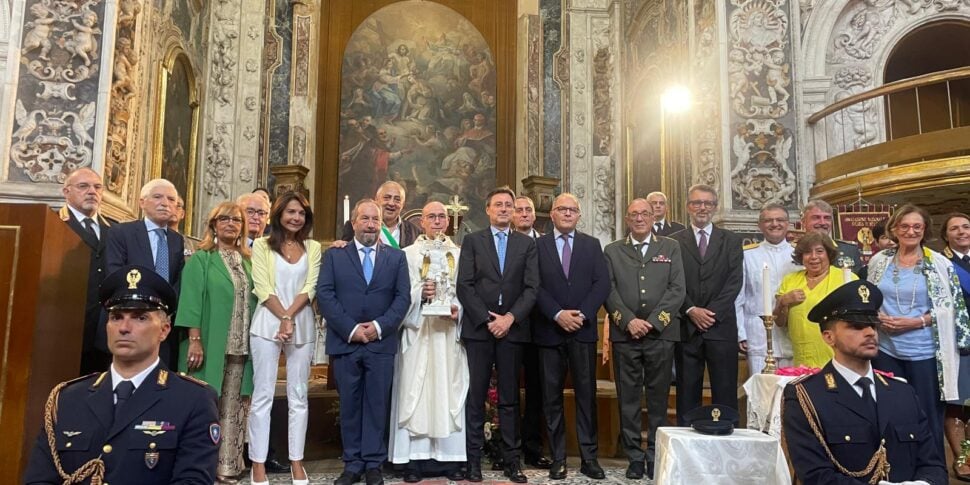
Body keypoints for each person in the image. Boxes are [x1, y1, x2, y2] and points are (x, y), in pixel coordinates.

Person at [24, 265, 220, 484]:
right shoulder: (68, 399)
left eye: (140, 318)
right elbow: (39, 479)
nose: (124, 327)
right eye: (116, 317)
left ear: (164, 330)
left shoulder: (192, 400)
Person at [782, 280, 948, 485]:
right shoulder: (807, 396)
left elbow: (933, 466)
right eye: (856, 326)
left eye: (872, 325)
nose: (870, 332)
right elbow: (816, 475)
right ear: (829, 337)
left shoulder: (902, 392)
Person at [866, 204, 970, 463]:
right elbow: (868, 297)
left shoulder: (939, 264)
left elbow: (953, 310)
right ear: (894, 229)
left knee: (927, 417)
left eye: (916, 226)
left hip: (926, 354)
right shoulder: (880, 261)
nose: (910, 231)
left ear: (925, 231)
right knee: (890, 415)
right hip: (885, 351)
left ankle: (932, 472)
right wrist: (875, 315)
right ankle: (895, 471)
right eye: (904, 226)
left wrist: (917, 322)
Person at [318, 199, 410, 485]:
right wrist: (352, 329)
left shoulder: (396, 258)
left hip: (380, 345)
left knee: (376, 404)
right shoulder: (334, 255)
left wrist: (379, 327)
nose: (371, 224)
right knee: (350, 405)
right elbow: (325, 294)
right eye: (365, 219)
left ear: (380, 224)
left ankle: (373, 463)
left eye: (375, 220)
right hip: (346, 343)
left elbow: (402, 298)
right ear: (354, 222)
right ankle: (353, 463)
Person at [457, 187, 539, 483]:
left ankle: (510, 460)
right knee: (476, 396)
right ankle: (473, 461)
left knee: (509, 399)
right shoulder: (472, 241)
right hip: (480, 330)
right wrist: (486, 318)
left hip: (513, 330)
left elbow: (532, 288)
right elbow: (464, 285)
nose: (504, 209)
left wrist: (509, 318)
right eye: (499, 205)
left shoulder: (526, 244)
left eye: (509, 205)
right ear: (488, 209)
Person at [604, 198, 685, 480]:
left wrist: (651, 324)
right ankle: (634, 458)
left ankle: (654, 454)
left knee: (658, 399)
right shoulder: (612, 251)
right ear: (627, 219)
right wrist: (628, 322)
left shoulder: (670, 247)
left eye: (645, 214)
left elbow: (677, 290)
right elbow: (609, 290)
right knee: (628, 399)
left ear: (654, 217)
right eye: (634, 214)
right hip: (625, 336)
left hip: (660, 336)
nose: (639, 218)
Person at [388, 201, 467, 482]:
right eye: (431, 216)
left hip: (446, 335)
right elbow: (398, 294)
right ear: (421, 221)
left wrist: (458, 309)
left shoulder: (458, 255)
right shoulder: (407, 255)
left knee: (447, 391)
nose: (436, 221)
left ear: (448, 222)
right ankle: (413, 460)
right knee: (416, 391)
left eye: (441, 217)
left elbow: (465, 291)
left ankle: (450, 459)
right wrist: (420, 292)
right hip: (418, 332)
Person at [176, 202, 255, 483]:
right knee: (206, 405)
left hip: (241, 347)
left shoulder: (249, 261)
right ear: (213, 225)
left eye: (236, 219)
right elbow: (190, 301)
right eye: (225, 219)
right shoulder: (202, 259)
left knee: (234, 407)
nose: (231, 223)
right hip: (210, 343)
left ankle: (228, 465)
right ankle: (200, 468)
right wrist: (194, 340)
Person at [533, 193, 610, 480]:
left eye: (572, 210)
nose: (567, 213)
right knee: (551, 399)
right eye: (561, 209)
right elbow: (533, 285)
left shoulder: (592, 245)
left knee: (586, 397)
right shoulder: (538, 246)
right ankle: (558, 458)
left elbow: (602, 283)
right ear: (551, 214)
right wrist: (557, 314)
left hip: (582, 331)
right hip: (549, 332)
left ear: (579, 215)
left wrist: (583, 314)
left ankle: (590, 458)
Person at [248, 192, 322, 485]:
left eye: (301, 213)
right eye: (291, 212)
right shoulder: (264, 247)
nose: (296, 218)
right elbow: (263, 288)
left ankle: (296, 461)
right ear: (279, 214)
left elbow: (310, 286)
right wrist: (283, 317)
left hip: (301, 325)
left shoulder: (313, 247)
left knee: (299, 396)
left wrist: (290, 318)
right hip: (267, 324)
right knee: (262, 396)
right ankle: (258, 463)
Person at [669, 184, 743, 423]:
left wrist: (710, 313)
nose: (702, 208)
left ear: (715, 207)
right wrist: (691, 310)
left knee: (725, 392)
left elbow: (734, 281)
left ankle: (726, 444)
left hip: (720, 327)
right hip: (686, 328)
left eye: (708, 203)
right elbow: (672, 282)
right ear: (688, 207)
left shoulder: (730, 240)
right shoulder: (673, 242)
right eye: (697, 203)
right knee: (687, 394)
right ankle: (687, 446)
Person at [106, 178, 185, 368]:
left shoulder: (176, 240)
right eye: (157, 197)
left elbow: (176, 279)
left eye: (171, 200)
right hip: (130, 316)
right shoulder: (122, 232)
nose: (165, 203)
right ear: (142, 202)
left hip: (164, 321)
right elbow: (115, 272)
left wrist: (166, 310)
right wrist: (141, 308)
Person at [58, 167, 113, 374]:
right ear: (66, 192)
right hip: (65, 324)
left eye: (97, 187)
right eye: (83, 186)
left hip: (103, 327)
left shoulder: (113, 230)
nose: (92, 191)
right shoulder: (55, 223)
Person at [775, 232, 856, 368]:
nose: (813, 257)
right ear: (801, 257)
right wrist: (783, 302)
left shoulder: (846, 278)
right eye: (807, 252)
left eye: (819, 251)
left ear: (828, 254)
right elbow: (779, 322)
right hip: (802, 357)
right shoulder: (790, 280)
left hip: (837, 355)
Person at [511, 194, 551, 469]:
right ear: (511, 215)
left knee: (538, 392)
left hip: (542, 328)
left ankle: (533, 448)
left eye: (529, 210)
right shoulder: (502, 242)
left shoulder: (547, 244)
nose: (524, 213)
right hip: (511, 326)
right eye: (519, 210)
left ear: (535, 216)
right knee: (508, 392)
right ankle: (507, 448)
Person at [736, 203, 798, 374]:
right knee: (760, 395)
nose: (774, 224)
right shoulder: (747, 255)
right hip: (758, 335)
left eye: (780, 220)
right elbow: (738, 297)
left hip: (791, 335)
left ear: (788, 224)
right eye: (768, 220)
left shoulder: (799, 255)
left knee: (791, 393)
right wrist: (741, 333)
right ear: (760, 225)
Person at [941, 213, 970, 480]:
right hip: (959, 343)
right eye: (954, 228)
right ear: (946, 235)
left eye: (966, 227)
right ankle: (962, 460)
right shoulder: (943, 264)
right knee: (958, 405)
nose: (961, 232)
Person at [340, 181, 421, 249]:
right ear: (376, 199)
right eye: (387, 197)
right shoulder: (353, 226)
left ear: (403, 204)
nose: (391, 203)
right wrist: (339, 245)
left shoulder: (414, 231)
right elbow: (346, 253)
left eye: (397, 200)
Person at [800, 199, 862, 271]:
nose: (822, 222)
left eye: (827, 218)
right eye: (816, 217)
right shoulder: (793, 251)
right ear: (803, 222)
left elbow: (859, 281)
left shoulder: (850, 250)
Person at [169, 196, 197, 260]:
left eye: (178, 206)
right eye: (170, 205)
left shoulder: (193, 245)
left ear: (182, 214)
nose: (173, 209)